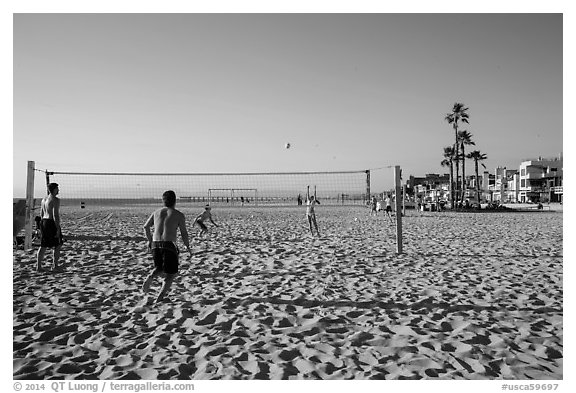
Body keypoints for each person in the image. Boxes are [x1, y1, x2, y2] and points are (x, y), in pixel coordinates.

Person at [142, 190, 192, 304]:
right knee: (170, 274)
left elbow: (145, 227)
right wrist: (187, 246)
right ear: (175, 201)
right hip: (168, 244)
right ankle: (159, 298)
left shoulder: (156, 212)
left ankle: (150, 277)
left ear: (163, 201)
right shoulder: (178, 214)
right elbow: (184, 233)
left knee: (159, 267)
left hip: (155, 243)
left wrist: (150, 241)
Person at [36, 183, 64, 271]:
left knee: (43, 245)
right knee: (58, 244)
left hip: (43, 222)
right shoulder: (55, 200)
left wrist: (40, 227)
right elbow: (56, 215)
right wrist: (57, 228)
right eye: (57, 189)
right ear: (53, 190)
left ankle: (38, 266)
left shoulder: (43, 199)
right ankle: (55, 266)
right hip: (50, 222)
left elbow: (41, 214)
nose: (58, 190)